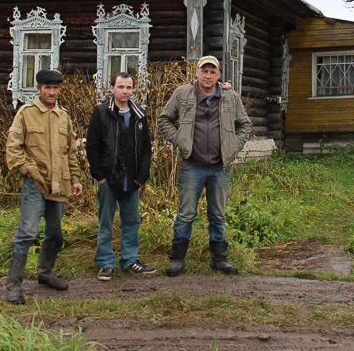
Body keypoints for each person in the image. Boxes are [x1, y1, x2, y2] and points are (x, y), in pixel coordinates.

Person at [157, 55, 252, 276]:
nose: (208, 75)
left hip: (220, 167)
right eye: (204, 71)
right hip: (192, 166)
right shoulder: (182, 94)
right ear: (197, 72)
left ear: (218, 75)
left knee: (218, 214)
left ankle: (219, 259)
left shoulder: (230, 96)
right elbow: (164, 119)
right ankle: (177, 259)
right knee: (186, 214)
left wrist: (233, 146)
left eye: (212, 71)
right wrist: (180, 139)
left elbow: (244, 124)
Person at [4, 69, 83, 304]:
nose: (52, 92)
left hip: (60, 184)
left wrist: (76, 179)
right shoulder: (26, 114)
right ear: (39, 89)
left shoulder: (63, 116)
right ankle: (13, 285)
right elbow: (13, 146)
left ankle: (45, 272)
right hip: (35, 184)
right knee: (27, 233)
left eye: (56, 88)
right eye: (47, 88)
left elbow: (70, 151)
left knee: (55, 234)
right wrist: (26, 169)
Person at [85, 71, 156, 281]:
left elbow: (146, 149)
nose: (125, 91)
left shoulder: (139, 114)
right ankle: (106, 263)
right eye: (121, 87)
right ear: (112, 88)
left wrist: (142, 175)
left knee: (132, 221)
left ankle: (130, 259)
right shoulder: (101, 112)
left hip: (132, 179)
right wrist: (100, 176)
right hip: (109, 179)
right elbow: (92, 146)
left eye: (129, 87)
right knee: (106, 222)